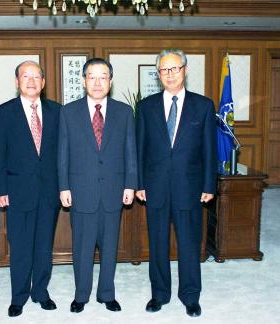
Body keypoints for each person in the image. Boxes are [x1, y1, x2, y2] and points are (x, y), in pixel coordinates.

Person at [135, 49, 217, 317]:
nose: (169, 74)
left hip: (190, 188)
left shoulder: (203, 105)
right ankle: (159, 294)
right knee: (157, 243)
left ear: (185, 70)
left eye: (174, 69)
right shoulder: (146, 106)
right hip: (155, 188)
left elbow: (209, 149)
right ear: (158, 75)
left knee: (189, 244)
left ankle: (190, 296)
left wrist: (209, 185)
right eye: (164, 70)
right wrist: (139, 184)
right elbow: (140, 149)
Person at [58, 57, 137, 313]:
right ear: (83, 81)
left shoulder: (124, 112)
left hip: (114, 190)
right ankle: (81, 295)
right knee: (82, 248)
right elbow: (63, 153)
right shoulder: (68, 112)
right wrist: (63, 186)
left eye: (103, 77)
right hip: (81, 192)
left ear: (111, 81)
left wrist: (130, 185)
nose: (97, 82)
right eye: (92, 76)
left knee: (110, 247)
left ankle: (106, 294)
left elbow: (130, 152)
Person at [0, 61, 60, 317]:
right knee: (20, 246)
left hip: (49, 191)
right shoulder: (4, 112)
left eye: (36, 77)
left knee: (44, 246)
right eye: (25, 76)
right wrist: (0, 189)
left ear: (43, 82)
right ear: (17, 81)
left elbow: (61, 155)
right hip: (18, 191)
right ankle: (18, 296)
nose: (31, 81)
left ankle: (40, 292)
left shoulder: (57, 112)